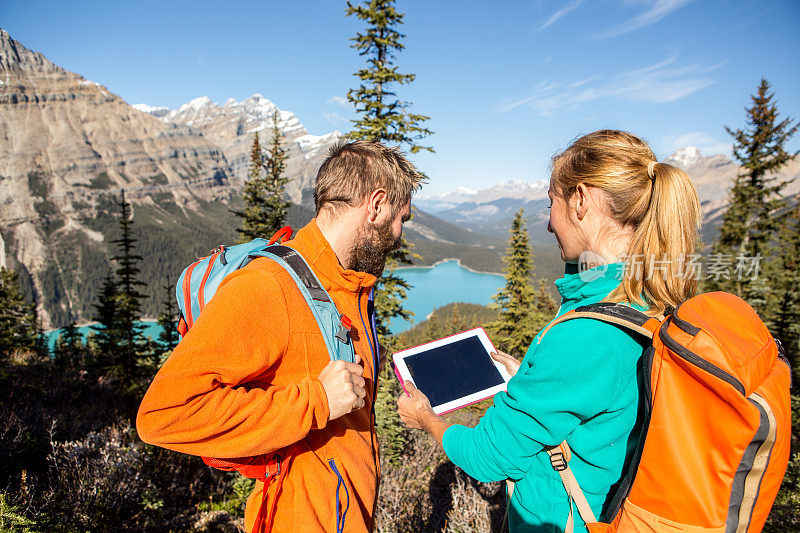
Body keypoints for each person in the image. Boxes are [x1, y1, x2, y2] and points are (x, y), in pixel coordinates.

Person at [397, 130, 701, 531]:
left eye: (551, 200)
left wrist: (426, 419)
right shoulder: (647, 297)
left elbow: (486, 456)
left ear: (580, 200)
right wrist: (533, 380)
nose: (547, 223)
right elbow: (601, 396)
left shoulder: (589, 335)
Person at [137, 140, 424, 532]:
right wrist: (316, 399)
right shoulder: (268, 287)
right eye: (400, 218)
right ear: (374, 205)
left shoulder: (348, 285)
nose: (399, 233)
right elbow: (163, 414)